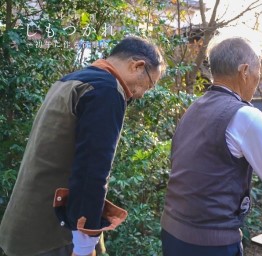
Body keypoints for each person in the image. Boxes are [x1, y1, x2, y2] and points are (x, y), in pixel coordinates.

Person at [0, 36, 164, 256]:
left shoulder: (71, 80)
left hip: (24, 223)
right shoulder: (106, 90)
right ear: (137, 66)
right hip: (53, 235)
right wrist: (85, 245)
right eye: (149, 85)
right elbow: (93, 171)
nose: (141, 94)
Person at [160, 37, 262, 256]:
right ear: (244, 71)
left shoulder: (194, 108)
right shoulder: (246, 115)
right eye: (257, 72)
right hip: (210, 243)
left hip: (172, 231)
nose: (256, 81)